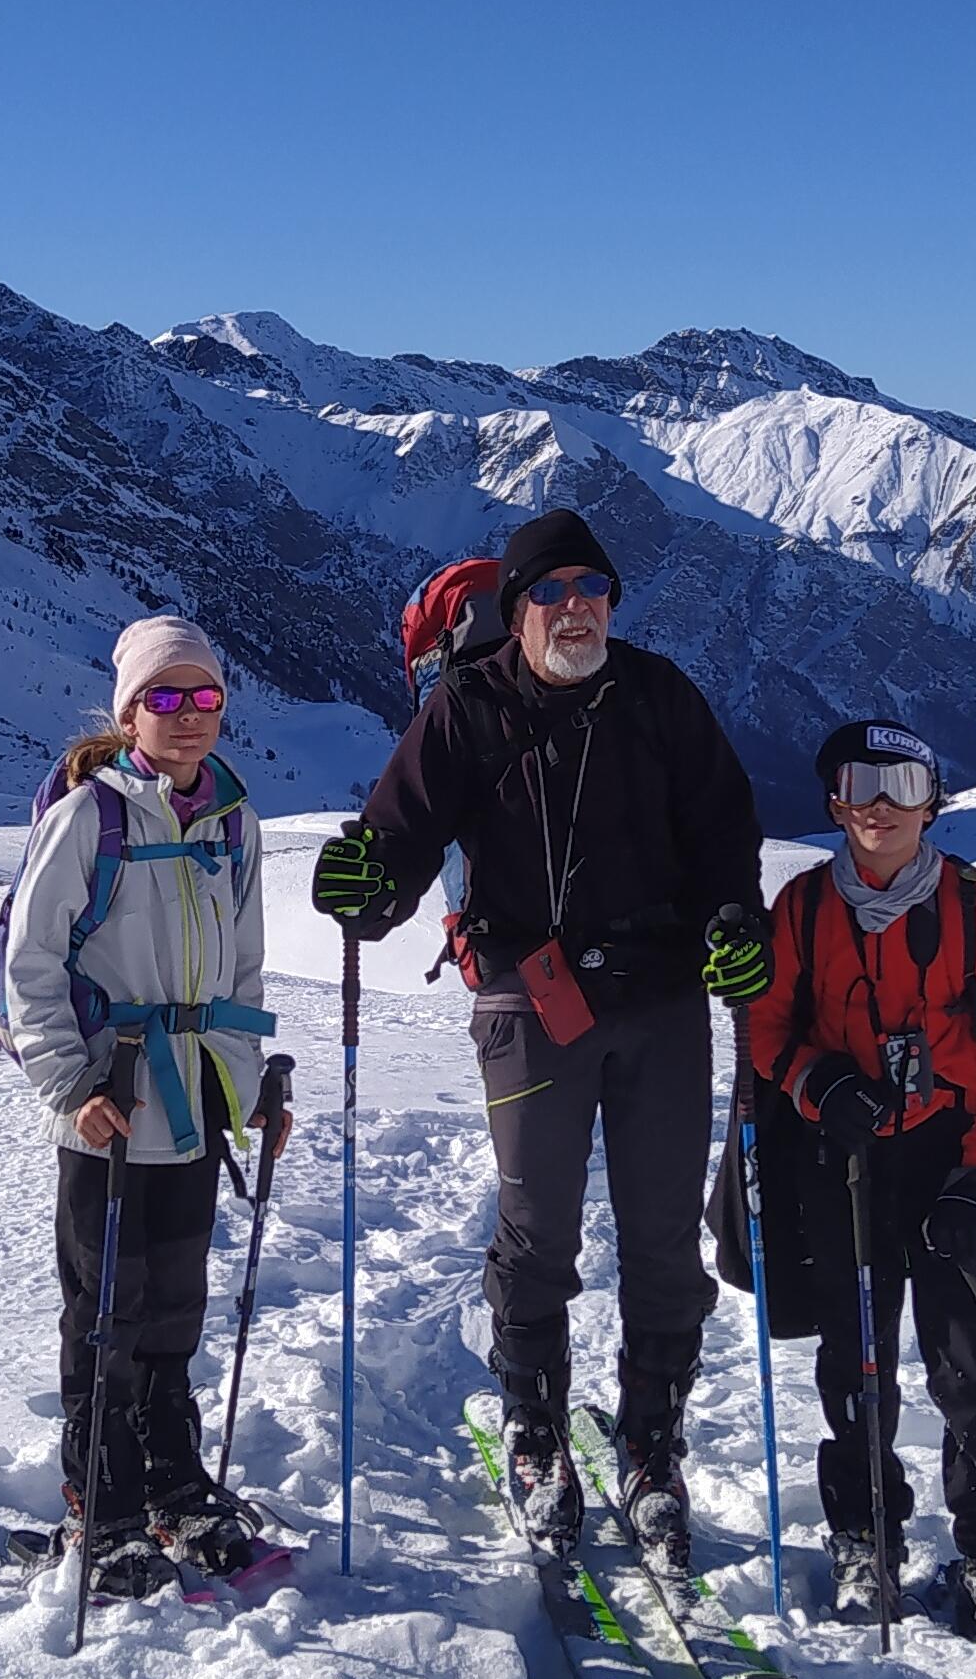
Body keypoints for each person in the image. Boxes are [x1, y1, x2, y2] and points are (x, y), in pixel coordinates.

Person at [311, 510, 768, 1560]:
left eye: (591, 588)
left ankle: (653, 1439)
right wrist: (368, 888)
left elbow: (723, 834)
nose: (575, 608)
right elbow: (401, 832)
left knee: (662, 1234)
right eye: (551, 592)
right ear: (514, 611)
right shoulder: (468, 705)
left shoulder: (660, 696)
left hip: (660, 999)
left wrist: (736, 922)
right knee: (536, 1229)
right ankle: (533, 1424)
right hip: (529, 996)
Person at [744, 718, 976, 1658]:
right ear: (835, 803)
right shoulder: (802, 910)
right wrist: (818, 1083)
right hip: (842, 1163)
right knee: (856, 1362)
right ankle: (864, 1536)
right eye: (861, 785)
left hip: (945, 1160)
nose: (881, 806)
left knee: (970, 1366)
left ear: (933, 805)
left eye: (904, 786)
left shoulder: (974, 911)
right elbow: (766, 1030)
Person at [0, 615, 284, 1598]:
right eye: (165, 697)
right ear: (129, 715)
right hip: (108, 1105)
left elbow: (243, 968)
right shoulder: (91, 817)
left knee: (172, 1312)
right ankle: (102, 1506)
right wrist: (69, 1088)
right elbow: (30, 965)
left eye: (205, 695)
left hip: (191, 1101)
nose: (189, 713)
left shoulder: (233, 821)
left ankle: (172, 1487)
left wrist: (244, 1089)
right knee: (104, 1318)